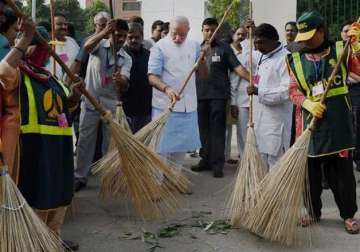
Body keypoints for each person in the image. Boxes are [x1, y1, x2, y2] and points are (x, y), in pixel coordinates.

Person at [0, 21, 81, 250]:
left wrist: (74, 96)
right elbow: (2, 71)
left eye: (46, 48)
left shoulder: (50, 76)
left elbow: (65, 107)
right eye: (41, 47)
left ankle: (52, 242)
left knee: (57, 201)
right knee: (34, 200)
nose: (45, 53)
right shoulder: (17, 73)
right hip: (31, 151)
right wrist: (24, 40)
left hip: (59, 151)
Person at [287, 11, 359, 233]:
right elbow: (292, 90)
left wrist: (356, 48)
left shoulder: (341, 49)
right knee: (310, 174)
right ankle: (312, 211)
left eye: (310, 34)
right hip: (310, 124)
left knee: (342, 173)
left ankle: (348, 214)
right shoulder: (294, 59)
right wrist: (307, 103)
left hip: (338, 124)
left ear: (322, 31)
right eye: (303, 35)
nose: (306, 40)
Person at [74, 19, 132, 192]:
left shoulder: (126, 58)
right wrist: (104, 33)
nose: (120, 39)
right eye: (117, 35)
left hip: (111, 104)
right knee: (85, 141)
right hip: (91, 100)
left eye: (123, 36)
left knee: (109, 143)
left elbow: (126, 83)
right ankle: (80, 177)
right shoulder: (100, 45)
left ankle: (108, 178)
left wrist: (121, 81)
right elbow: (86, 47)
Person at [191, 18, 250, 178]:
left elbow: (237, 68)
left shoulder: (225, 48)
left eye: (213, 30)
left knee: (217, 130)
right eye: (207, 29)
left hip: (218, 96)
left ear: (218, 31)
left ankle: (218, 164)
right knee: (203, 130)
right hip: (200, 95)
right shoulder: (195, 48)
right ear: (202, 30)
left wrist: (253, 79)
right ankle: (205, 160)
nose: (210, 32)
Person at [148, 16, 208, 167]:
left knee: (180, 150)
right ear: (169, 30)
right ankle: (157, 183)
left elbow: (204, 75)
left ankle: (175, 181)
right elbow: (152, 77)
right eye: (174, 33)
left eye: (182, 34)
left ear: (188, 31)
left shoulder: (194, 46)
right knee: (160, 150)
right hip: (165, 105)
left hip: (188, 106)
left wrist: (202, 59)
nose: (177, 38)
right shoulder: (159, 47)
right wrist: (167, 89)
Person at [246, 23, 292, 170]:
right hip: (261, 120)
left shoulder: (285, 58)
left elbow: (287, 91)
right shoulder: (263, 55)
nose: (258, 46)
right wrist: (250, 32)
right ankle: (263, 192)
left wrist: (259, 92)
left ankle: (276, 193)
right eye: (256, 42)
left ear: (273, 40)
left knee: (276, 161)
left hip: (277, 121)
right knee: (261, 160)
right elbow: (244, 55)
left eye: (261, 42)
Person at [230, 25, 261, 158]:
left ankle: (256, 158)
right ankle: (244, 159)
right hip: (242, 101)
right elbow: (234, 81)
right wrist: (233, 102)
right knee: (243, 133)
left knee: (258, 132)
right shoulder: (241, 57)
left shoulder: (262, 56)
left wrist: (256, 82)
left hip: (259, 100)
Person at [123, 22, 152, 133]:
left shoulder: (149, 55)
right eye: (130, 37)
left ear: (142, 37)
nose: (134, 40)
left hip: (145, 107)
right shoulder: (121, 54)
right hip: (126, 108)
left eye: (137, 37)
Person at [341, 20, 360, 172]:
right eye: (345, 31)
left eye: (350, 30)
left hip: (355, 92)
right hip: (340, 94)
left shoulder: (357, 49)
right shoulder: (337, 49)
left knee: (356, 126)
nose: (348, 33)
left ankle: (357, 159)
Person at [45, 13, 79, 80]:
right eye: (59, 24)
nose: (63, 27)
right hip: (55, 84)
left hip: (73, 84)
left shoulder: (72, 41)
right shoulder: (48, 45)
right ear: (51, 26)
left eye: (65, 24)